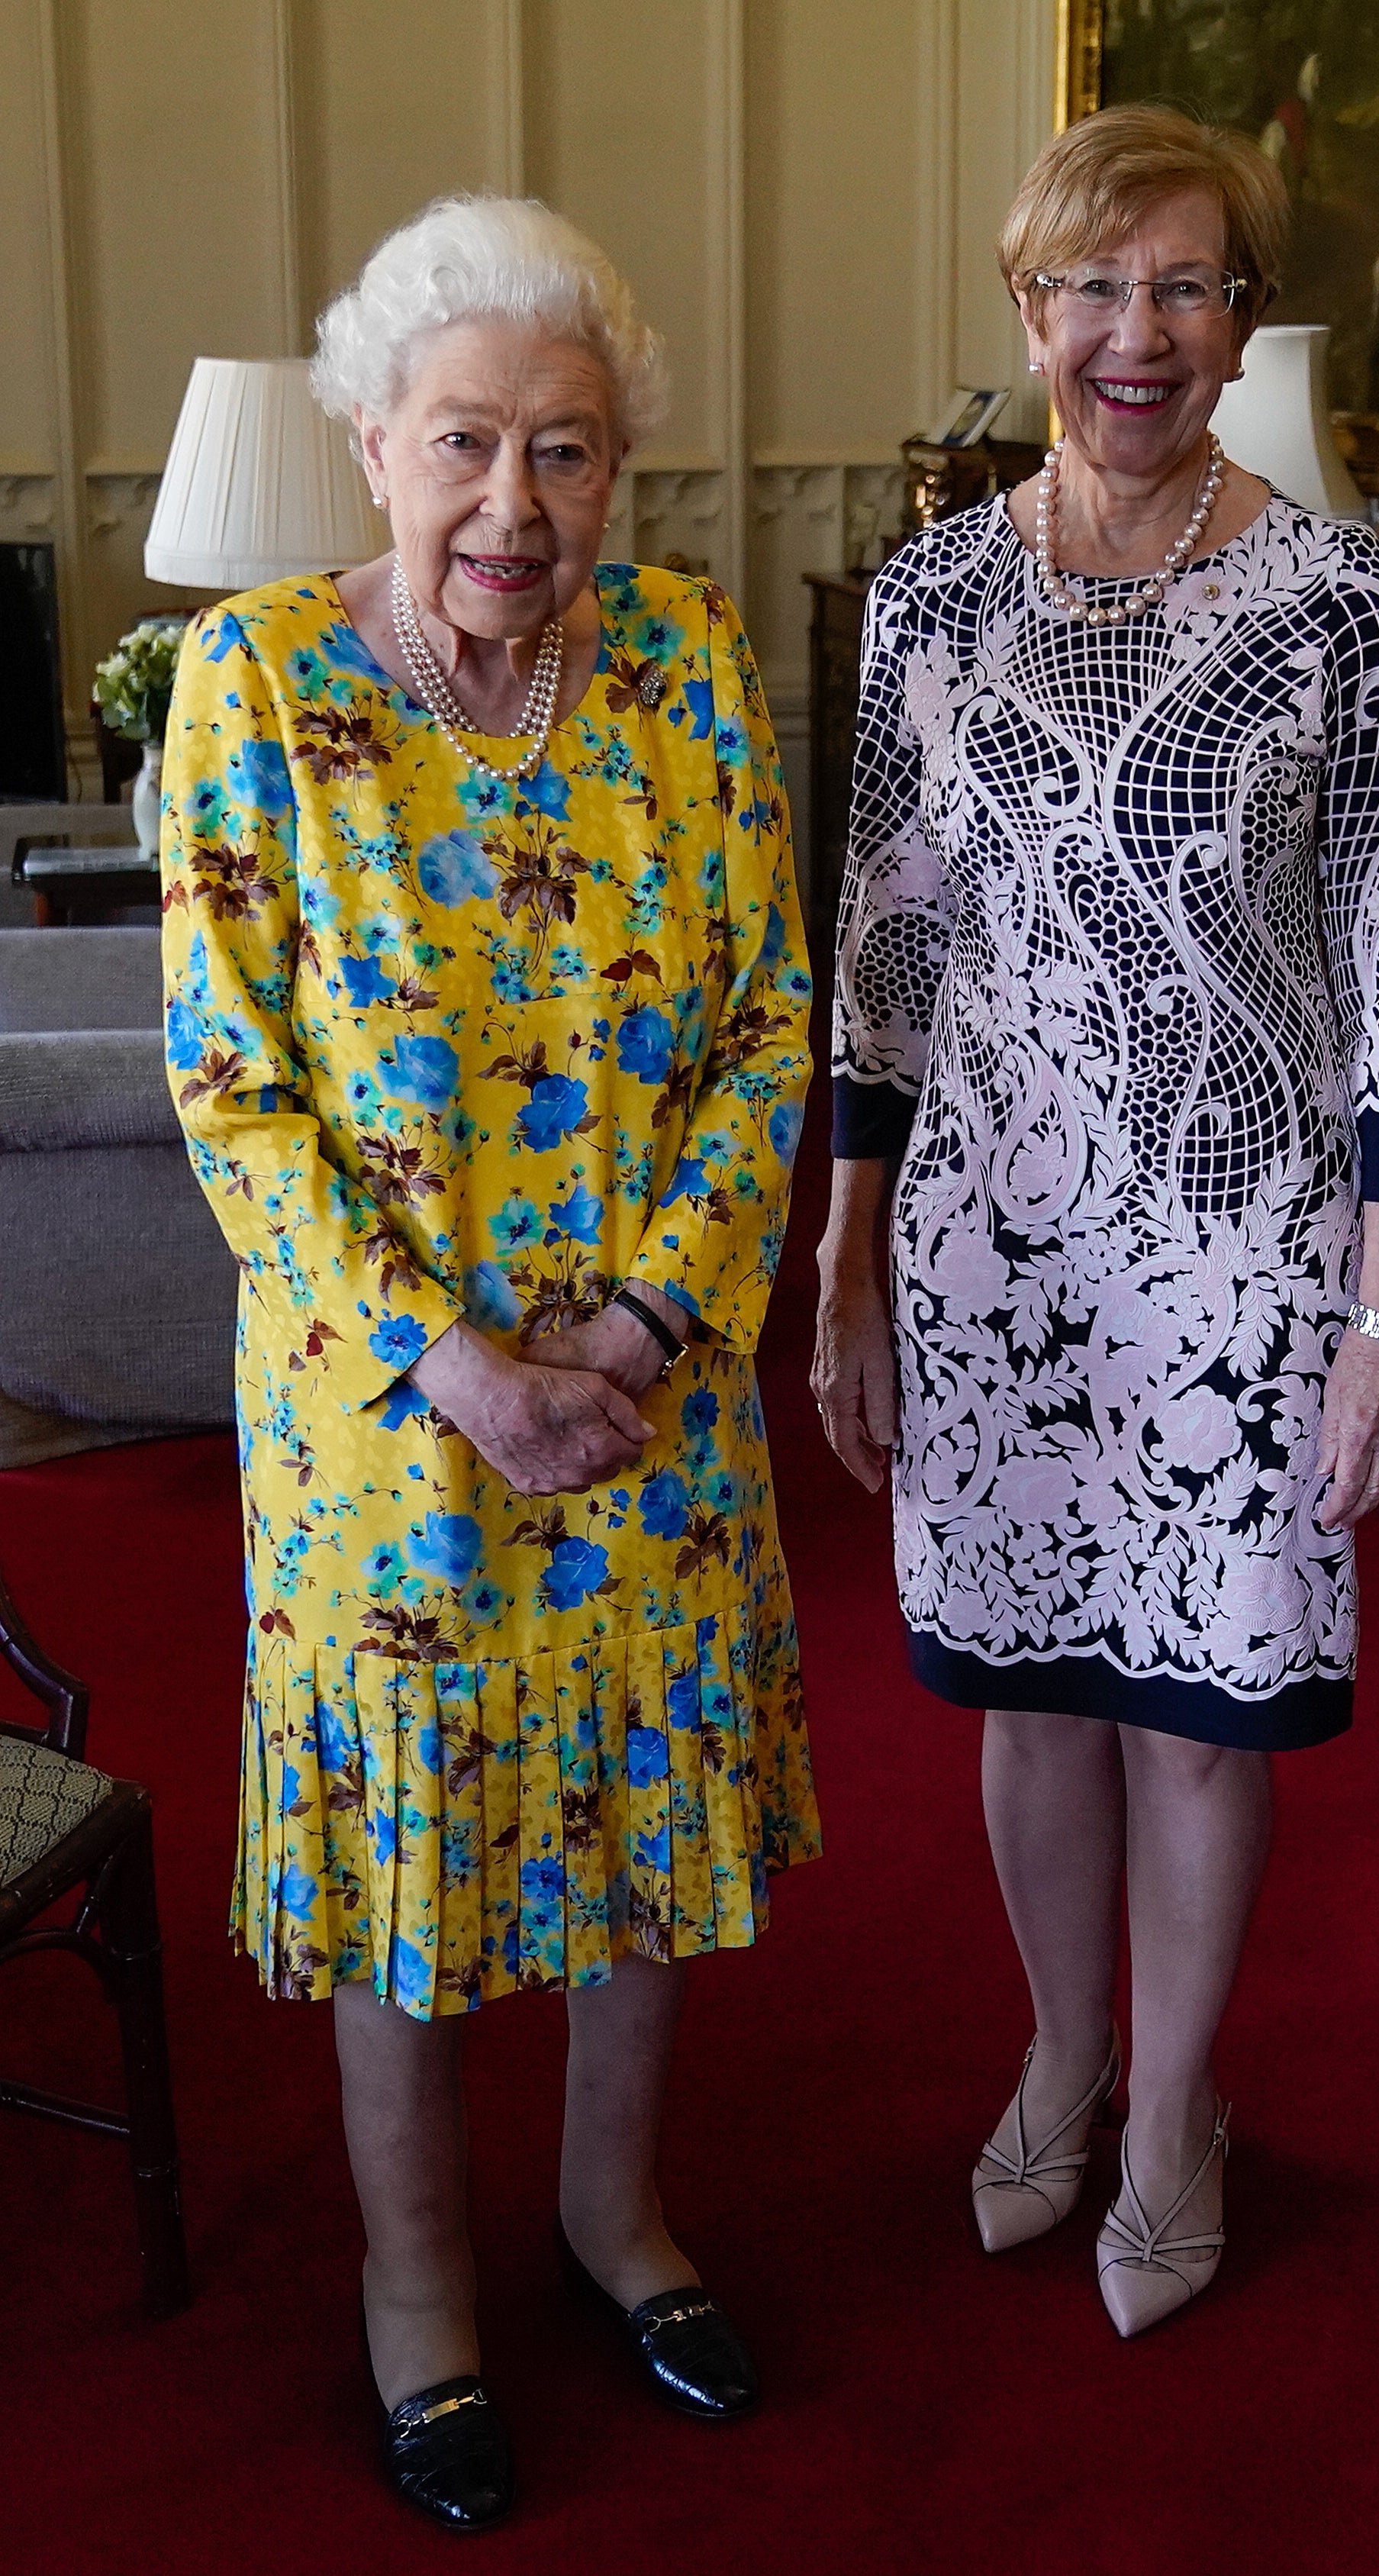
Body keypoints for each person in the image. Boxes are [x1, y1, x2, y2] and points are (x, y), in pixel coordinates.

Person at [161, 194, 818, 2529]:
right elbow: (235, 1090)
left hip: (647, 1395)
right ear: (370, 442)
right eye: (465, 445)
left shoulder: (679, 658)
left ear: (622, 467)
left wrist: (639, 1327)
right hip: (393, 1432)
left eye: (568, 450)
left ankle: (612, 2221)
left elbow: (765, 1021)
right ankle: (416, 2286)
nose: (513, 508)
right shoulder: (253, 686)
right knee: (418, 1858)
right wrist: (461, 1370)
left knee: (642, 1831)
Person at [814, 105, 1379, 2339]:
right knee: (1031, 1694)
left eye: (1184, 288)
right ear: (1024, 307)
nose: (1133, 334)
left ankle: (1171, 2108)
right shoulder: (928, 596)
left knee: (1195, 1705)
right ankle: (1058, 2050)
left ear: (1238, 318)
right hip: (991, 1232)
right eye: (1092, 287)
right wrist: (845, 1242)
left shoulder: (1327, 601)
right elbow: (882, 944)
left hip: (1238, 1235)